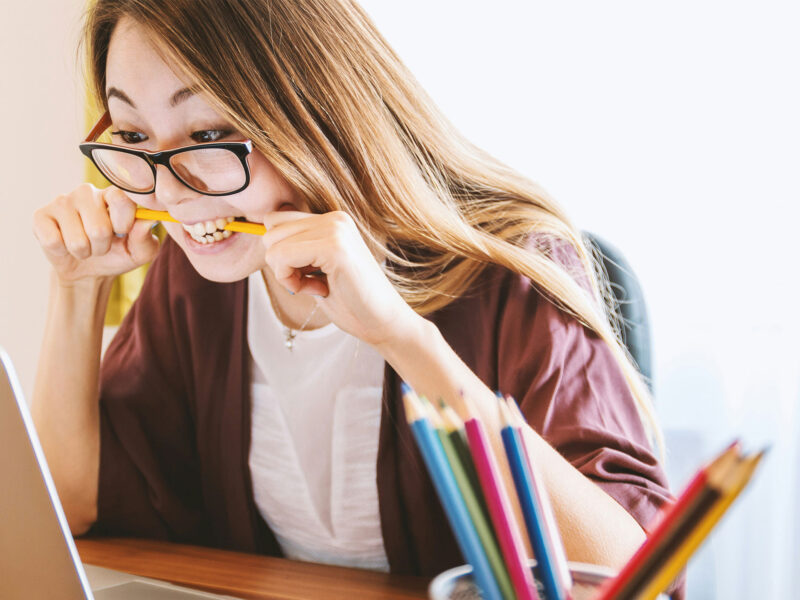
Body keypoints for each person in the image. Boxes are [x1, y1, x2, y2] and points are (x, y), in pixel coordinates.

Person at [31, 0, 679, 595]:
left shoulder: (510, 269)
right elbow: (69, 509)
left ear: (314, 109)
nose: (169, 194)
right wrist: (77, 289)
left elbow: (636, 575)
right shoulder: (198, 280)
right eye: (136, 137)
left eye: (207, 135)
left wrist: (400, 335)